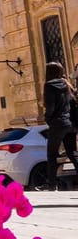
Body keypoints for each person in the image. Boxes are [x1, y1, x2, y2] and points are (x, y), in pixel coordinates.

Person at [37, 62, 78, 191]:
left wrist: (47, 117)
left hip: (58, 123)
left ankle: (52, 185)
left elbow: (50, 106)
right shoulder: (67, 84)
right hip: (71, 123)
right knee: (73, 153)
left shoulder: (49, 85)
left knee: (52, 154)